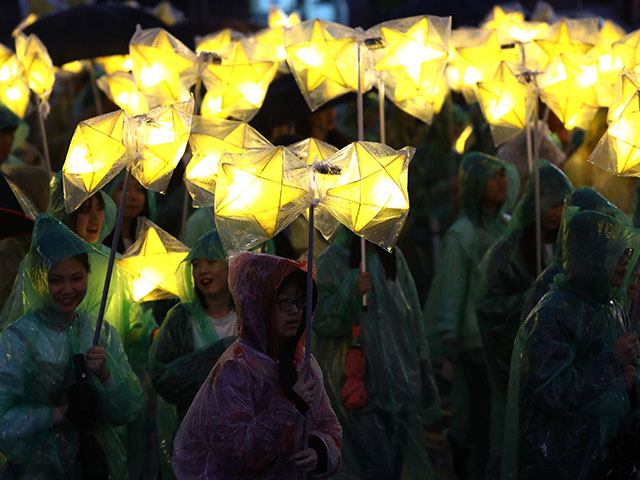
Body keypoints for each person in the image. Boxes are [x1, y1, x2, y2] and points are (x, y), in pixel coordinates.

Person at [173, 252, 342, 479]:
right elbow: (236, 453)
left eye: (301, 302)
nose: (294, 311)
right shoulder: (236, 370)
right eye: (284, 302)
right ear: (259, 305)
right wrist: (288, 405)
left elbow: (327, 425)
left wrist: (318, 450)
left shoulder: (305, 364)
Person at [0, 214, 142, 478]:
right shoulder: (18, 339)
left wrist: (107, 376)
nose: (68, 289)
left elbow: (129, 409)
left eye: (76, 277)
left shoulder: (100, 332)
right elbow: (3, 420)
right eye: (56, 280)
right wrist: (59, 414)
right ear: (40, 280)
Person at [502, 210, 640, 479]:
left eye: (626, 251)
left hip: (605, 458)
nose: (625, 261)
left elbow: (619, 379)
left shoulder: (610, 307)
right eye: (615, 253)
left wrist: (629, 379)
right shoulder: (551, 315)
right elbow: (548, 391)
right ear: (591, 255)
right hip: (562, 462)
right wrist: (610, 363)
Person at [312, 230, 441, 480]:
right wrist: (349, 292)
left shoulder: (394, 258)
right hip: (360, 390)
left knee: (393, 466)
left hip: (401, 387)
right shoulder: (330, 263)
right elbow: (320, 322)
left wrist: (423, 372)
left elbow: (412, 318)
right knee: (373, 468)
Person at [423, 152, 519, 479]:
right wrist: (448, 341)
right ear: (477, 184)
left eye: (504, 175)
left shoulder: (508, 227)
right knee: (481, 420)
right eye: (494, 177)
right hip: (475, 343)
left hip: (503, 336)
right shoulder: (461, 234)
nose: (503, 181)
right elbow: (451, 288)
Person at [476, 160, 574, 478]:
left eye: (564, 203)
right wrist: (530, 298)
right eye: (552, 203)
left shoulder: (568, 246)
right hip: (515, 357)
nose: (559, 211)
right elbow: (488, 306)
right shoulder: (508, 251)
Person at [149, 229, 238, 466]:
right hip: (194, 435)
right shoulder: (180, 319)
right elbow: (162, 376)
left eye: (211, 261)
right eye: (196, 264)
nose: (202, 271)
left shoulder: (249, 314)